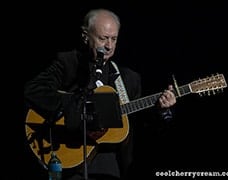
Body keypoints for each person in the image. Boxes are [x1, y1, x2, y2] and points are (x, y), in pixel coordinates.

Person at [24, 8, 176, 180]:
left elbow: (143, 128)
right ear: (85, 36)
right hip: (67, 156)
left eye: (114, 39)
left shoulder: (128, 79)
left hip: (108, 167)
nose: (109, 46)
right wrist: (79, 110)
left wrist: (162, 111)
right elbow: (33, 90)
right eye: (103, 38)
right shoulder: (68, 63)